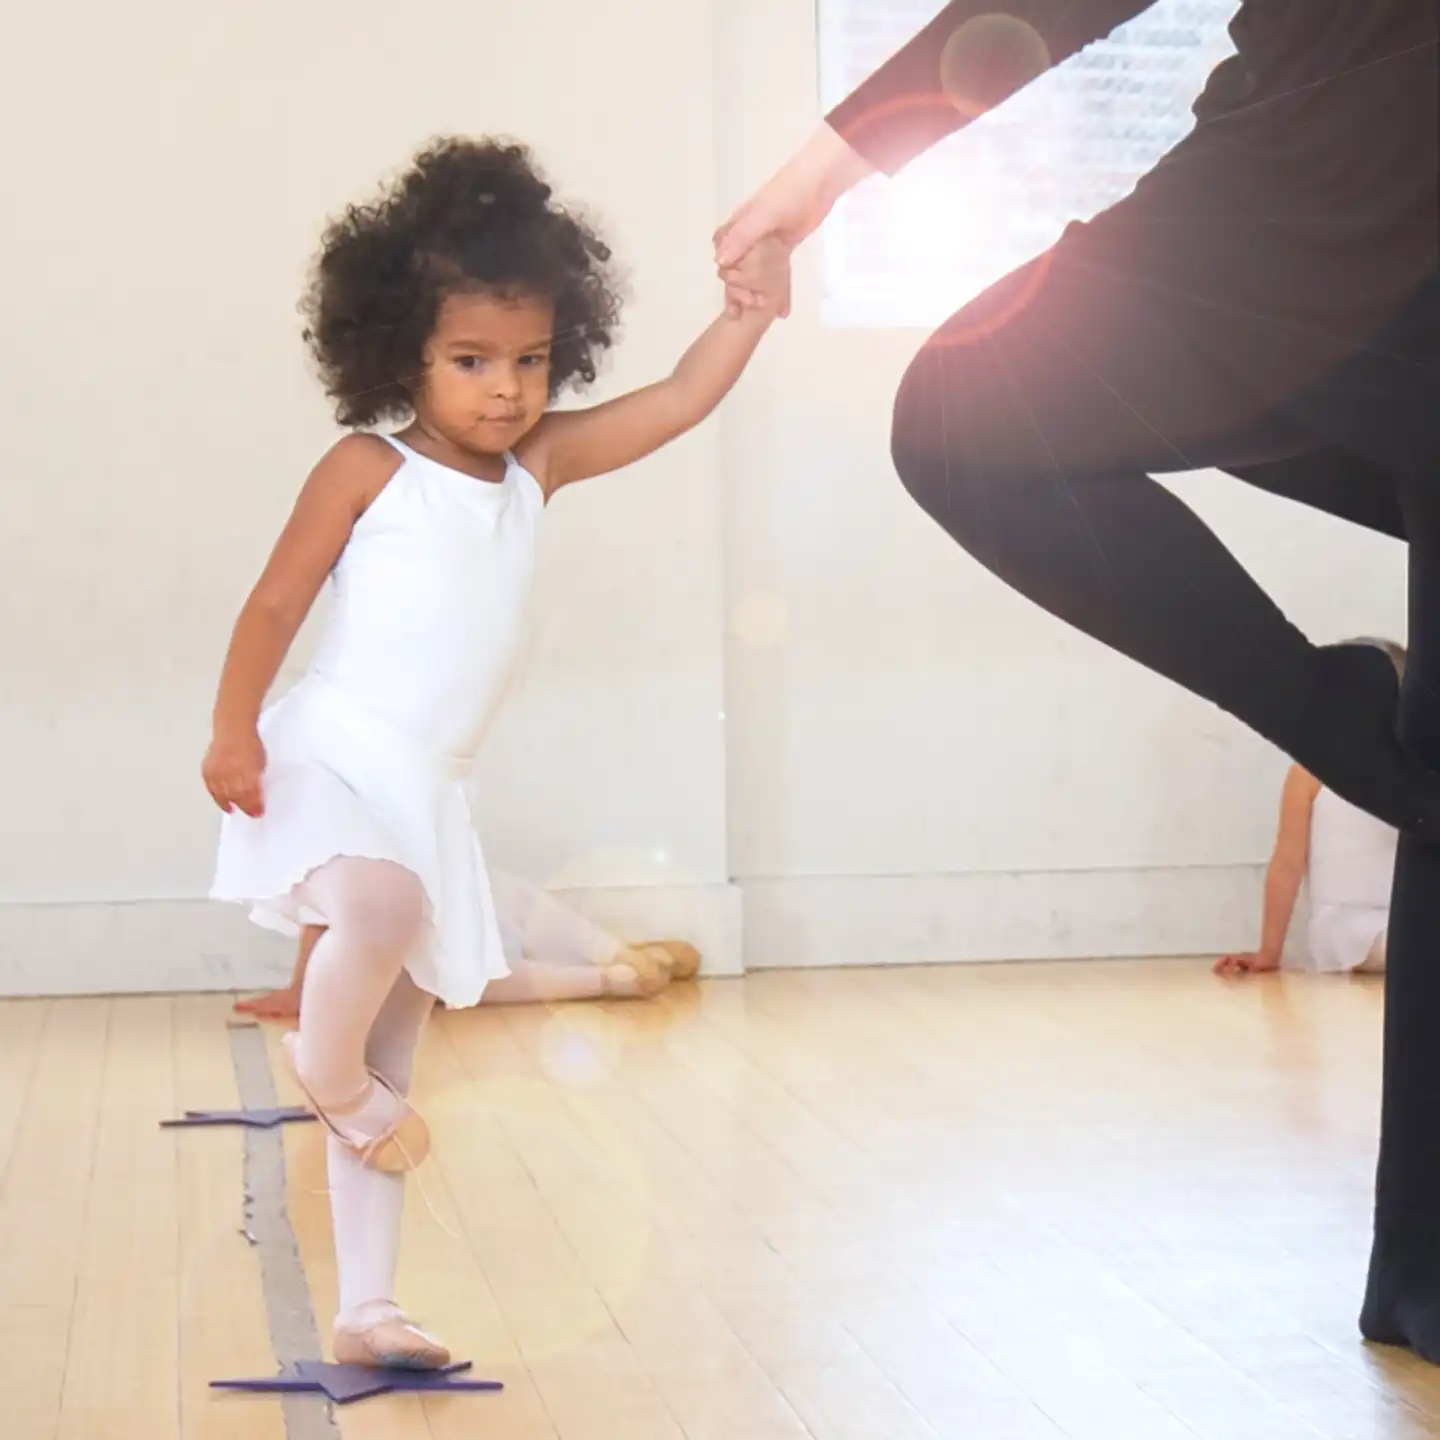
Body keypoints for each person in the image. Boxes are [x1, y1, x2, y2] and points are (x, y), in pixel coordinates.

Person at [713, 2, 1440, 1361]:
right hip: (1294, 205)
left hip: (1341, 225)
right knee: (966, 419)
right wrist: (821, 174)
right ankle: (1341, 716)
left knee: (1432, 777)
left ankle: (1431, 1277)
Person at [203, 136, 788, 1370]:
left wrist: (751, 313)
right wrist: (232, 725)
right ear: (401, 349)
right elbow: (272, 605)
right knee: (375, 907)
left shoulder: (536, 468)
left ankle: (368, 1306)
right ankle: (321, 1064)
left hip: (427, 788)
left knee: (394, 1052)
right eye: (472, 361)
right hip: (328, 752)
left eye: (530, 361)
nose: (508, 390)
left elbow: (679, 401)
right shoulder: (369, 468)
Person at [233, 869, 702, 1020]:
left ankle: (614, 967)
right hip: (458, 946)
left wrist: (301, 993)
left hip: (460, 937)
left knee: (486, 927)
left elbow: (320, 920)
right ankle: (615, 963)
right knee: (473, 958)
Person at [1216, 641, 1406, 979]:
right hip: (1348, 927)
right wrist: (1269, 951)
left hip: (1409, 919)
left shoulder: (1414, 772)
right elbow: (1288, 863)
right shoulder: (1310, 774)